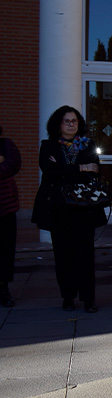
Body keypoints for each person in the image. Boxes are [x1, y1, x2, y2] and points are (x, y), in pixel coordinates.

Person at [31, 106, 107, 312]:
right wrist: (81, 168)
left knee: (85, 255)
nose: (71, 124)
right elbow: (50, 170)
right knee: (63, 255)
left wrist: (69, 171)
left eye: (74, 121)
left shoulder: (87, 144)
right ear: (58, 124)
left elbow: (94, 171)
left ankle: (88, 299)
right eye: (67, 121)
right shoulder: (49, 147)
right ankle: (68, 296)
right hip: (58, 209)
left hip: (84, 209)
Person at [0, 124, 22, 307]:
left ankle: (3, 290)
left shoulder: (5, 144)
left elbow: (12, 164)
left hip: (5, 207)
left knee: (5, 250)